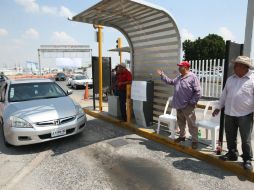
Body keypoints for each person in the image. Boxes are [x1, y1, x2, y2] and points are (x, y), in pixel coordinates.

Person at [212, 55, 254, 171]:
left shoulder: (252, 79)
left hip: (245, 114)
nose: (234, 67)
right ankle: (232, 153)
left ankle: (247, 159)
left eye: (237, 65)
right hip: (229, 113)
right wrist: (218, 107)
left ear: (245, 67)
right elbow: (224, 95)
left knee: (245, 139)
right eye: (235, 65)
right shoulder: (231, 79)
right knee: (230, 136)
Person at [157, 61, 201, 149]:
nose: (179, 68)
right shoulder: (179, 77)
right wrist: (162, 75)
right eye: (179, 66)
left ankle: (195, 140)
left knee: (191, 124)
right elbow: (170, 82)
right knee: (181, 122)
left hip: (188, 106)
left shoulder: (192, 77)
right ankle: (182, 136)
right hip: (179, 104)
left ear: (186, 67)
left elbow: (198, 92)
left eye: (180, 66)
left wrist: (192, 102)